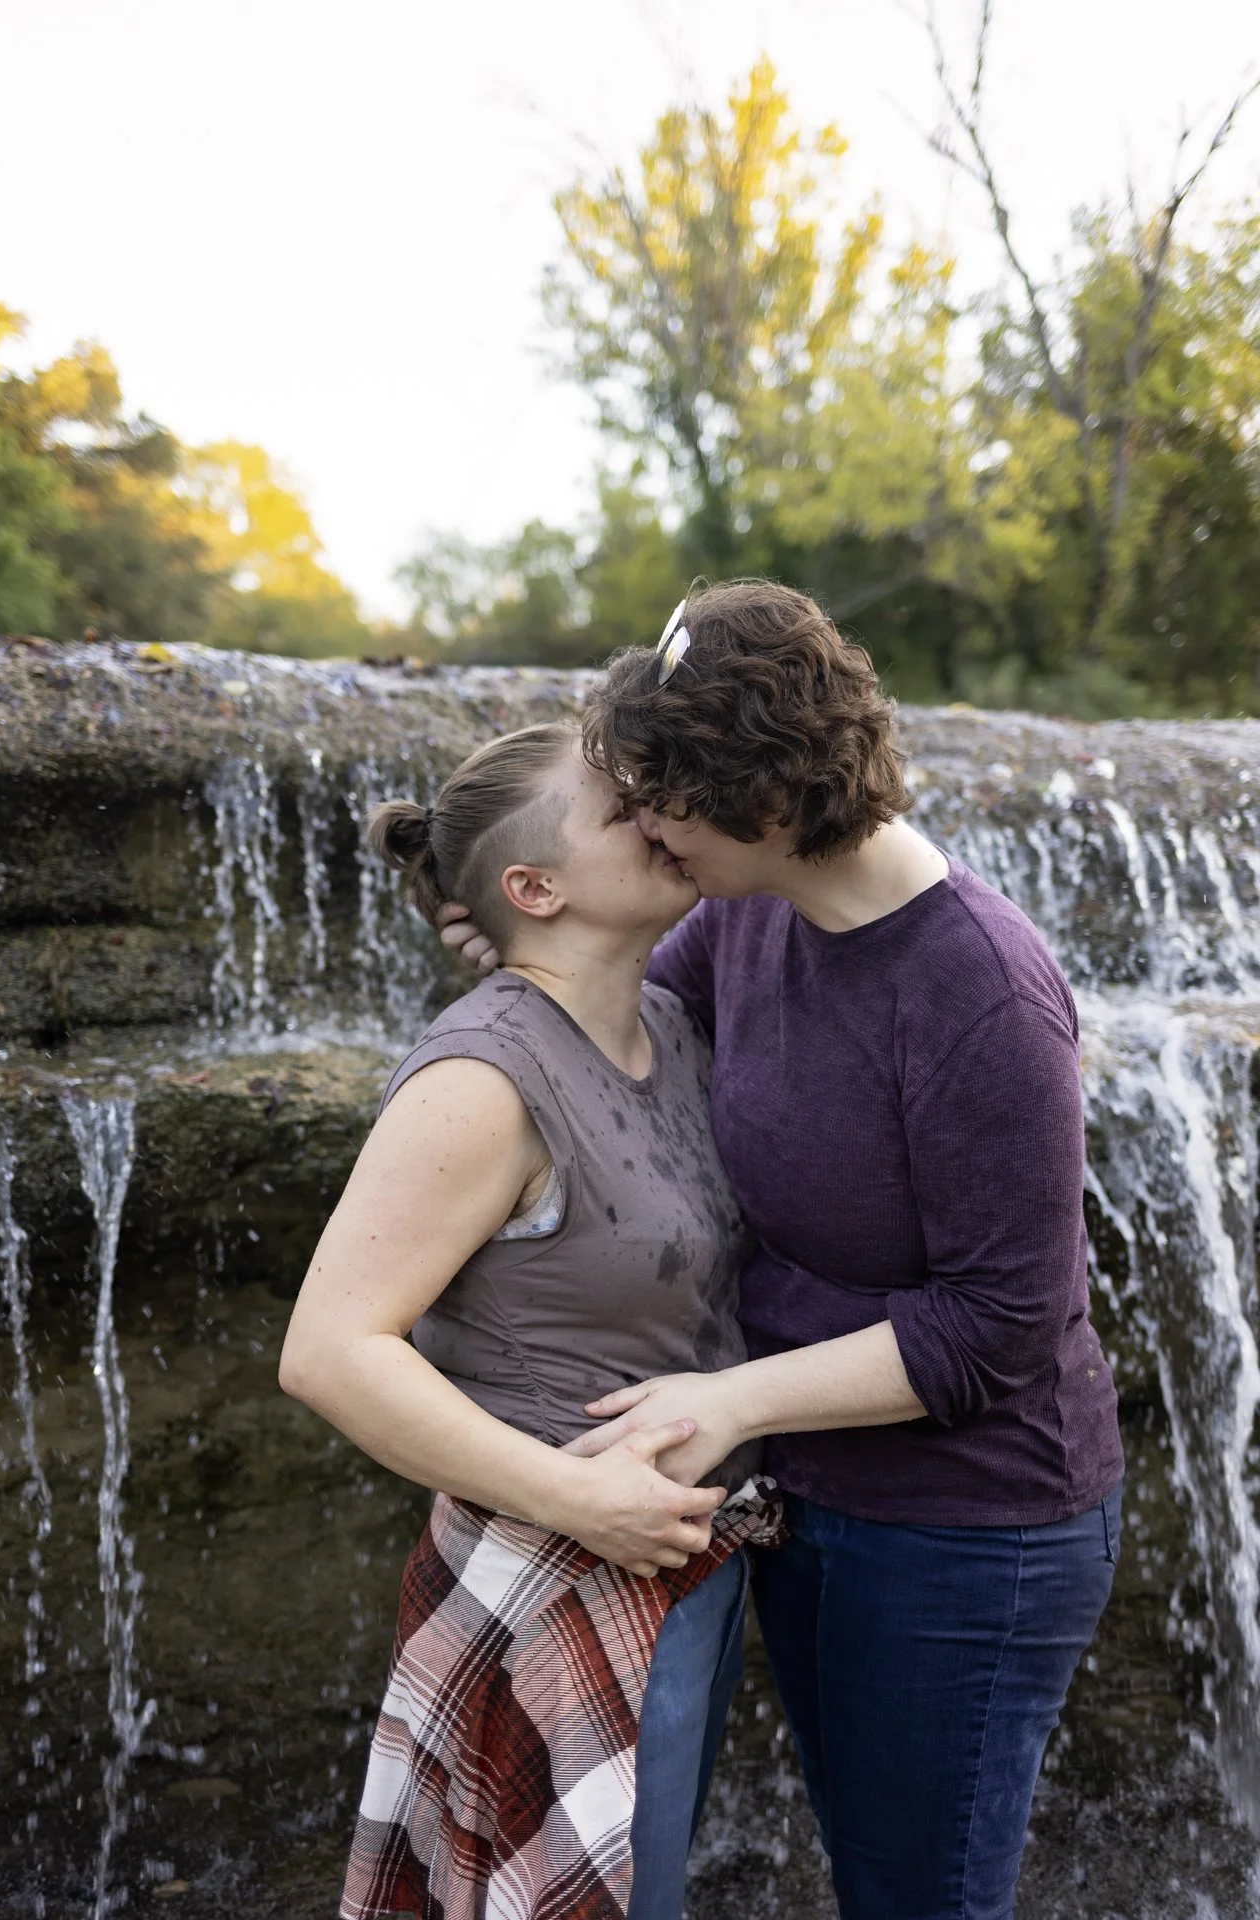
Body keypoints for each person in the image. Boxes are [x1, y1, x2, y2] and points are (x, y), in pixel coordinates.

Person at [438, 580, 1125, 1920]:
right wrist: (535, 937)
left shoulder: (980, 994)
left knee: (916, 1897)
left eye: (661, 804)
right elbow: (628, 1028)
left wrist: (731, 1401)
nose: (645, 828)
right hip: (805, 1497)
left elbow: (999, 1324)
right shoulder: (752, 910)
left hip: (967, 1534)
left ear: (758, 804)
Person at [278, 721, 782, 1920]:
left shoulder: (671, 1022)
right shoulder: (480, 1082)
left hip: (682, 1568)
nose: (659, 813)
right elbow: (328, 1352)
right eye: (620, 809)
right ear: (534, 889)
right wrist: (579, 1499)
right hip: (551, 1582)